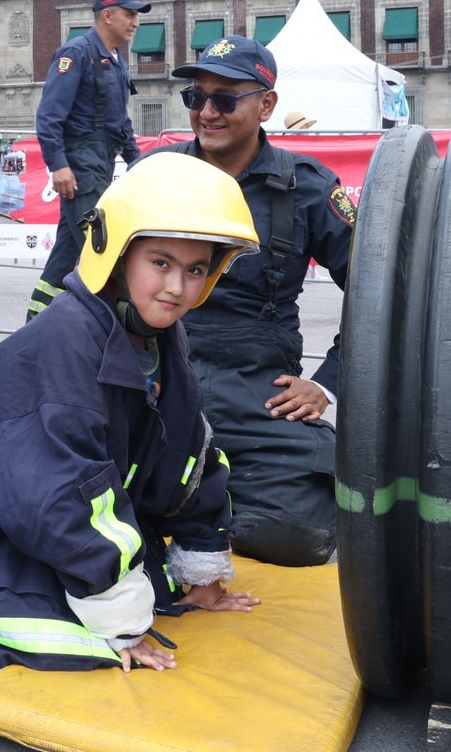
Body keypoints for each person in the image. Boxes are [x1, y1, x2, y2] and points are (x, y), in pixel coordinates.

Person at [0, 154, 262, 671]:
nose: (177, 288)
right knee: (56, 634)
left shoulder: (162, 336)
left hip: (56, 505)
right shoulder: (67, 341)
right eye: (161, 263)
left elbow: (188, 453)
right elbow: (57, 487)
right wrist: (122, 624)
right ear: (116, 254)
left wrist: (202, 567)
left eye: (196, 270)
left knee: (152, 586)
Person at [145, 37, 355, 566]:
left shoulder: (306, 188)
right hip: (157, 383)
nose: (206, 112)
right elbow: (97, 280)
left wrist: (325, 383)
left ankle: (189, 507)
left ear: (266, 105)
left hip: (258, 396)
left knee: (298, 534)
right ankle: (189, 501)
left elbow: (382, 295)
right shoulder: (156, 175)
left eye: (225, 99)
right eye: (196, 98)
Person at [25, 0, 146, 320]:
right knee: (101, 253)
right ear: (107, 16)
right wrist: (58, 165)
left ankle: (36, 321)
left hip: (101, 163)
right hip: (80, 167)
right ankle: (120, 333)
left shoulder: (117, 61)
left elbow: (120, 121)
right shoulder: (76, 54)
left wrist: (138, 162)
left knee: (66, 251)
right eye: (130, 13)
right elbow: (49, 116)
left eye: (137, 15)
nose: (135, 22)